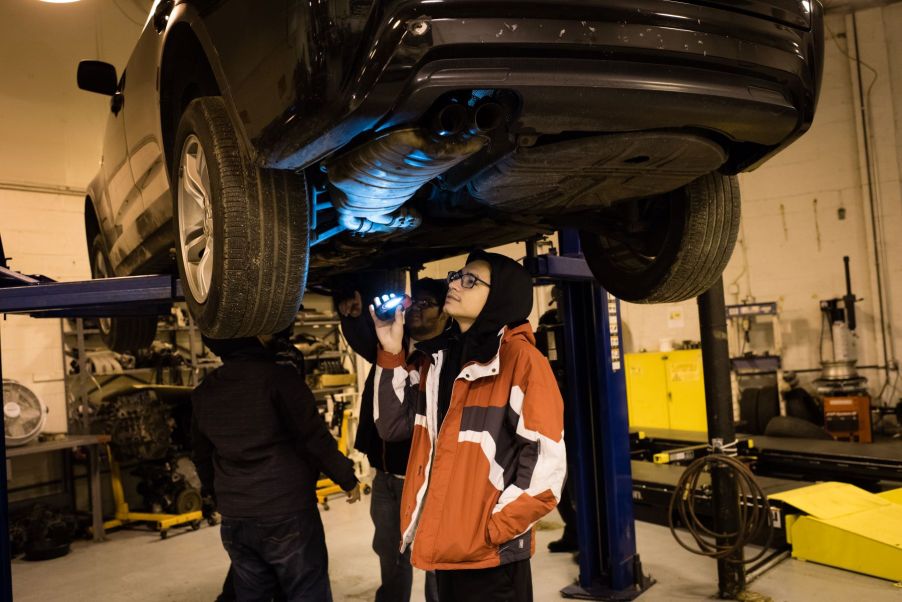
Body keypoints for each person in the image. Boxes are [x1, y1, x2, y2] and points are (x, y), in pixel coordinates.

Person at [372, 251, 567, 602]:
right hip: (448, 549)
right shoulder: (439, 358)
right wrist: (390, 350)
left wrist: (495, 530)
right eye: (456, 276)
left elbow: (546, 464)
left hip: (489, 554)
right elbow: (391, 426)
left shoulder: (521, 359)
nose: (455, 284)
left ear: (500, 294)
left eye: (471, 280)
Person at [192, 335, 360, 602]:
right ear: (255, 336)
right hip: (285, 509)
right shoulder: (280, 380)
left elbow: (201, 455)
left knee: (251, 594)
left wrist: (216, 494)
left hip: (236, 515)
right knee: (307, 591)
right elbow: (313, 437)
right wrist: (346, 477)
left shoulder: (204, 390)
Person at [336, 278, 448, 602]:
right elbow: (362, 337)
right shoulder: (392, 345)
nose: (416, 310)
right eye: (415, 303)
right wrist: (352, 316)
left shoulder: (442, 360)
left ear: (445, 314)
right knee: (390, 555)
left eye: (427, 304)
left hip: (426, 479)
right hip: (385, 478)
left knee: (435, 560)